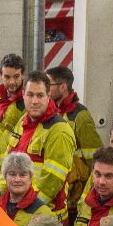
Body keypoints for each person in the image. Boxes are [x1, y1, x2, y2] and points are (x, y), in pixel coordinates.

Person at [9, 71, 77, 209]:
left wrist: (28, 208)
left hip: (45, 216)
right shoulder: (22, 122)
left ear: (48, 96)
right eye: (30, 95)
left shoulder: (59, 131)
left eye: (40, 95)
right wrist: (4, 199)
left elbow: (51, 183)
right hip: (17, 209)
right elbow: (9, 164)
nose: (34, 101)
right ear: (23, 95)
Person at [46, 65, 101, 203]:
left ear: (63, 87)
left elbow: (94, 158)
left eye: (49, 85)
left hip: (75, 193)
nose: (45, 89)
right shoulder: (51, 113)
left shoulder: (80, 116)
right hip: (57, 187)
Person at [0, 152, 59, 226]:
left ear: (31, 178)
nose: (17, 179)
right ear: (5, 177)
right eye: (12, 174)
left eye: (23, 175)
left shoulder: (42, 212)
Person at [0, 53, 26, 132]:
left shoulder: (27, 100)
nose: (11, 82)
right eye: (7, 77)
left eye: (16, 77)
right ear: (0, 75)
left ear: (23, 75)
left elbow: (26, 135)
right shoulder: (0, 93)